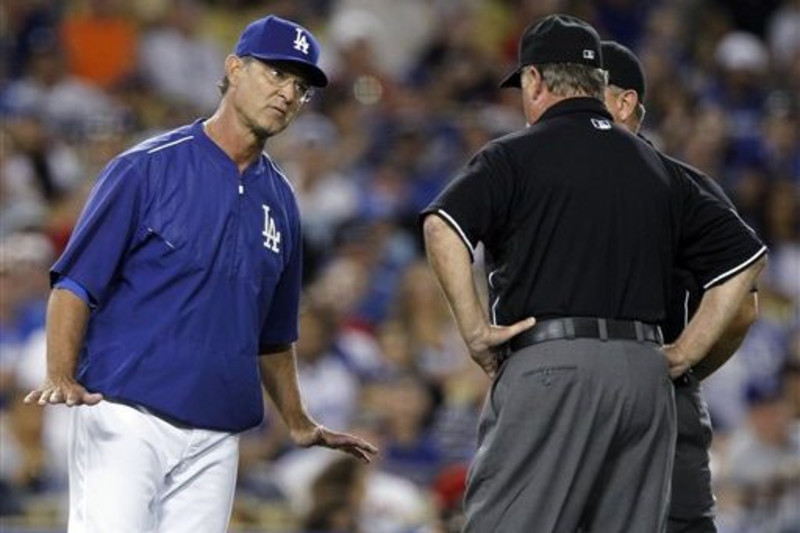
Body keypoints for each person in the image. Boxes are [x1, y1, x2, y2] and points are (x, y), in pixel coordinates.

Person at [23, 14, 376, 532]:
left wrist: (298, 421)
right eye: (275, 74)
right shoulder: (147, 167)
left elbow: (274, 336)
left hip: (217, 437)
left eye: (299, 87)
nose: (287, 93)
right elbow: (75, 283)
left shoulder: (282, 203)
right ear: (234, 68)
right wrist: (59, 372)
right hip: (127, 415)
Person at [420, 14, 767, 532]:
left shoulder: (514, 153)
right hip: (649, 380)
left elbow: (442, 225)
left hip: (551, 366)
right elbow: (745, 262)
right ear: (599, 84)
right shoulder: (664, 170)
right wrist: (684, 354)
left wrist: (474, 331)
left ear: (535, 80)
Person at [601, 40, 760, 533]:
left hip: (593, 395)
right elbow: (739, 308)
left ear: (625, 104)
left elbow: (742, 305)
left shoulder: (677, 186)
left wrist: (683, 360)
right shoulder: (683, 185)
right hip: (655, 391)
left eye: (586, 92)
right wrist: (684, 363)